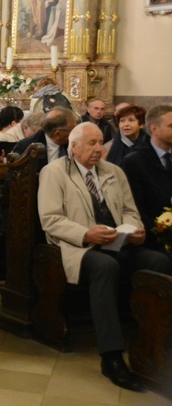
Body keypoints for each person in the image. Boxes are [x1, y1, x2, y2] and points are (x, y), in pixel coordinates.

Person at [38, 122, 171, 391]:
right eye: (91, 143)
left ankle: (156, 341)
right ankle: (111, 356)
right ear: (73, 147)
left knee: (158, 261)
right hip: (77, 246)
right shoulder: (53, 172)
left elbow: (130, 210)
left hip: (116, 242)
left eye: (101, 142)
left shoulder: (114, 171)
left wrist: (135, 230)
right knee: (105, 266)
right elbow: (50, 220)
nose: (99, 148)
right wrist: (87, 234)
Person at [123, 105, 172, 251]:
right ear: (154, 129)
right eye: (171, 126)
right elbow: (136, 208)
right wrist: (163, 234)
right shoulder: (135, 161)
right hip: (155, 236)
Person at [13, 106, 76, 171]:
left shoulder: (75, 144)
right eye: (72, 130)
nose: (75, 133)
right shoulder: (26, 147)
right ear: (57, 134)